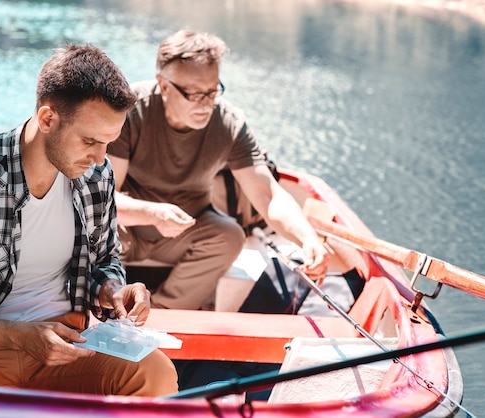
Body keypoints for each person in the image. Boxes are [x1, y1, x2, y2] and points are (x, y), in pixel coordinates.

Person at [0, 44, 178, 397]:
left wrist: (112, 291)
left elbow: (104, 260)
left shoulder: (97, 174)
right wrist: (21, 337)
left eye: (108, 142)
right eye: (90, 140)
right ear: (47, 119)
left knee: (156, 374)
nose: (100, 158)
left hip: (72, 347)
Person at [107, 29, 330, 310]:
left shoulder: (229, 123)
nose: (205, 103)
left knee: (230, 235)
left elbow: (267, 195)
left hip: (187, 232)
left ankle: (162, 312)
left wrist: (307, 239)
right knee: (87, 232)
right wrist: (152, 212)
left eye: (212, 91)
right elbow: (103, 198)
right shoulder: (130, 111)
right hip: (127, 228)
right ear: (163, 85)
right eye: (193, 93)